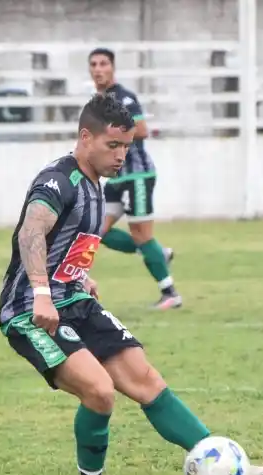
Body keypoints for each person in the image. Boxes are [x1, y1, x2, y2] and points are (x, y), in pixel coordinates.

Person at [0, 92, 263, 475]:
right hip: (30, 310)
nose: (121, 155)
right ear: (85, 137)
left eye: (126, 146)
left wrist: (79, 275)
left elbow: (66, 243)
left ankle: (222, 463)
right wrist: (41, 291)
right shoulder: (57, 180)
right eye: (112, 145)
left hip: (74, 299)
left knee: (145, 379)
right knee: (99, 391)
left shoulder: (96, 184)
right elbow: (31, 233)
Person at [88, 47, 181, 310]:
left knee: (141, 235)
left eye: (103, 64)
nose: (98, 69)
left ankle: (170, 293)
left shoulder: (123, 97)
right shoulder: (98, 101)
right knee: (95, 229)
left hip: (136, 174)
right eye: (93, 64)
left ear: (112, 68)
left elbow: (140, 129)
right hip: (116, 177)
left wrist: (106, 134)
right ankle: (157, 254)